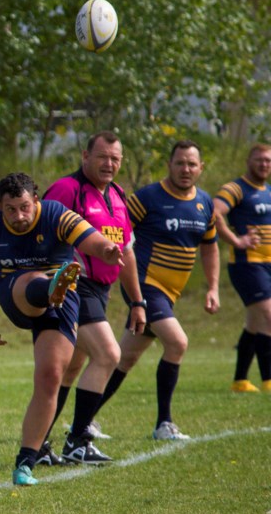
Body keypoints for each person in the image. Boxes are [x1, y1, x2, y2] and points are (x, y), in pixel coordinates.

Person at [0, 172, 123, 486]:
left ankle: (25, 463)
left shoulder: (54, 214)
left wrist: (106, 249)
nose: (20, 216)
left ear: (35, 200)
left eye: (25, 207)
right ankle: (50, 286)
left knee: (51, 376)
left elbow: (88, 238)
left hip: (61, 300)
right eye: (11, 210)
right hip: (16, 293)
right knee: (31, 280)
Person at [89, 139, 219, 441]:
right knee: (178, 342)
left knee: (125, 358)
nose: (185, 169)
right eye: (179, 163)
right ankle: (164, 423)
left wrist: (213, 287)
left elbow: (210, 248)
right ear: (169, 165)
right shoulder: (148, 197)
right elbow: (114, 228)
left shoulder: (205, 203)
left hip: (169, 295)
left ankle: (87, 420)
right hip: (144, 287)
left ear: (200, 168)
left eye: (191, 164)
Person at [37, 131, 146, 466]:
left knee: (71, 369)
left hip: (100, 291)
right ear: (85, 156)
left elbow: (125, 252)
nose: (109, 163)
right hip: (72, 286)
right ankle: (79, 439)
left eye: (115, 158)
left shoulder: (117, 195)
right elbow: (40, 234)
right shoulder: (67, 189)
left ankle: (39, 444)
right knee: (109, 354)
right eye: (102, 156)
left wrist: (137, 301)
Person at [213, 143, 271, 393]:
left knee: (254, 324)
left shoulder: (268, 191)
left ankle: (240, 381)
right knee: (269, 317)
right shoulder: (236, 188)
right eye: (259, 160)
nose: (264, 164)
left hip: (267, 265)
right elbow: (214, 212)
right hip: (248, 265)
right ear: (249, 161)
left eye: (268, 160)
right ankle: (269, 380)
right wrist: (236, 240)